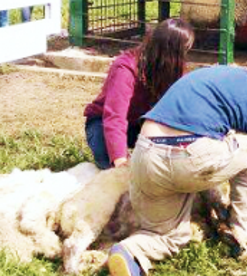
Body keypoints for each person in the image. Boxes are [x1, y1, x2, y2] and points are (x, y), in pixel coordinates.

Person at [107, 65, 247, 276]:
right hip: (186, 158)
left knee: (171, 237)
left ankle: (128, 252)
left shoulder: (238, 76)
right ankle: (242, 235)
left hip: (145, 154)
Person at [83, 18, 195, 169]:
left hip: (143, 124)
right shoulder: (126, 68)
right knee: (109, 165)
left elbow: (179, 112)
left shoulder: (174, 69)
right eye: (183, 52)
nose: (184, 57)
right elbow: (115, 116)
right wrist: (120, 160)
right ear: (171, 52)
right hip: (103, 123)